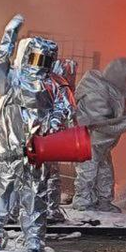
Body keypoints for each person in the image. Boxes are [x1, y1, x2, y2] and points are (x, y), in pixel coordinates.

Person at [0, 15, 72, 252]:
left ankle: (33, 237)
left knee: (35, 193)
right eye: (35, 58)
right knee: (3, 190)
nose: (39, 64)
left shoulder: (55, 83)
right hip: (9, 147)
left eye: (45, 59)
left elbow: (66, 111)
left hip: (38, 149)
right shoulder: (13, 79)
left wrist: (52, 126)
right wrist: (9, 36)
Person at [72, 57, 126, 212]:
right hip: (88, 142)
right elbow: (102, 124)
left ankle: (103, 202)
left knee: (105, 173)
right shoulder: (95, 91)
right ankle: (83, 205)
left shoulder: (115, 91)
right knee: (88, 174)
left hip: (101, 144)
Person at [43, 58, 78, 224]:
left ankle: (16, 210)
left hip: (36, 136)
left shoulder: (42, 83)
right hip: (48, 138)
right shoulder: (61, 86)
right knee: (51, 176)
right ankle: (50, 210)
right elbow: (69, 112)